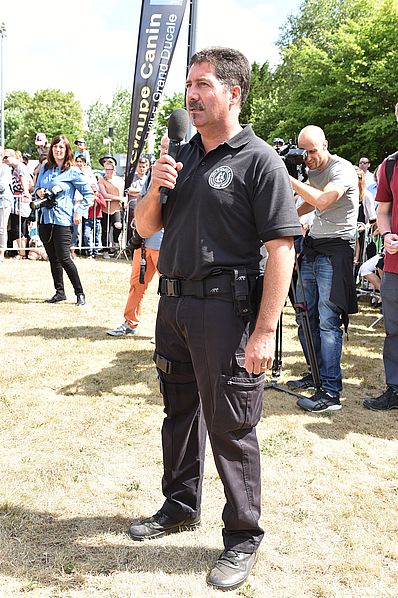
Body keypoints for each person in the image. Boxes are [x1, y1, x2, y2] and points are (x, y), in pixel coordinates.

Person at [129, 47, 301, 591]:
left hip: (227, 308)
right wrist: (156, 184)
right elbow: (142, 226)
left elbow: (281, 250)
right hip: (174, 304)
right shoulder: (182, 156)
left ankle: (243, 536)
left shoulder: (259, 161)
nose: (191, 95)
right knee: (178, 413)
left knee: (231, 425)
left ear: (233, 92)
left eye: (203, 84)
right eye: (189, 86)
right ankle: (179, 506)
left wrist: (266, 330)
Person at [288, 125, 359, 412]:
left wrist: (289, 179)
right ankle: (315, 374)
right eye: (303, 152)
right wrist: (288, 216)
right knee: (304, 315)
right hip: (314, 247)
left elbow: (323, 200)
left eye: (313, 151)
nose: (308, 157)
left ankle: (331, 392)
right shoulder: (312, 171)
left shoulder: (341, 169)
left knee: (328, 322)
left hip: (335, 251)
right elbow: (308, 204)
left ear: (325, 145)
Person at [34, 135, 93, 306]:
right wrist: (39, 192)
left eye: (61, 147)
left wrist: (79, 211)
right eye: (55, 147)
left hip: (63, 220)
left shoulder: (73, 171)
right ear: (51, 149)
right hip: (45, 218)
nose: (58, 150)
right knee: (52, 258)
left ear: (67, 150)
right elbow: (37, 187)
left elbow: (89, 194)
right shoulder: (45, 167)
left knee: (64, 257)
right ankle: (59, 292)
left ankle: (80, 293)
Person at [363, 146, 398, 411]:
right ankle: (395, 389)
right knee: (394, 331)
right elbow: (383, 211)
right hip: (395, 267)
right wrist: (386, 235)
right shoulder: (390, 165)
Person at [3, 149, 32, 258]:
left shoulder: (20, 167)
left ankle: (22, 252)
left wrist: (25, 192)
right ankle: (22, 252)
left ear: (12, 157)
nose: (4, 160)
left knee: (18, 227)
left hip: (21, 201)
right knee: (19, 227)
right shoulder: (14, 168)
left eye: (6, 157)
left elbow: (23, 179)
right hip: (17, 201)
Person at [98, 155, 124, 258]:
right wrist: (118, 198)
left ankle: (115, 243)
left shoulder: (120, 180)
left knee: (118, 226)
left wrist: (123, 200)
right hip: (105, 208)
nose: (108, 171)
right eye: (106, 169)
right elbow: (105, 195)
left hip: (117, 207)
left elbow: (122, 193)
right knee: (105, 229)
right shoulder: (101, 181)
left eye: (110, 169)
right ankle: (105, 250)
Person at [0, 149, 15, 261]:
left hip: (4, 201)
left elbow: (2, 186)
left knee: (2, 228)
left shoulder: (5, 168)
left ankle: (1, 252)